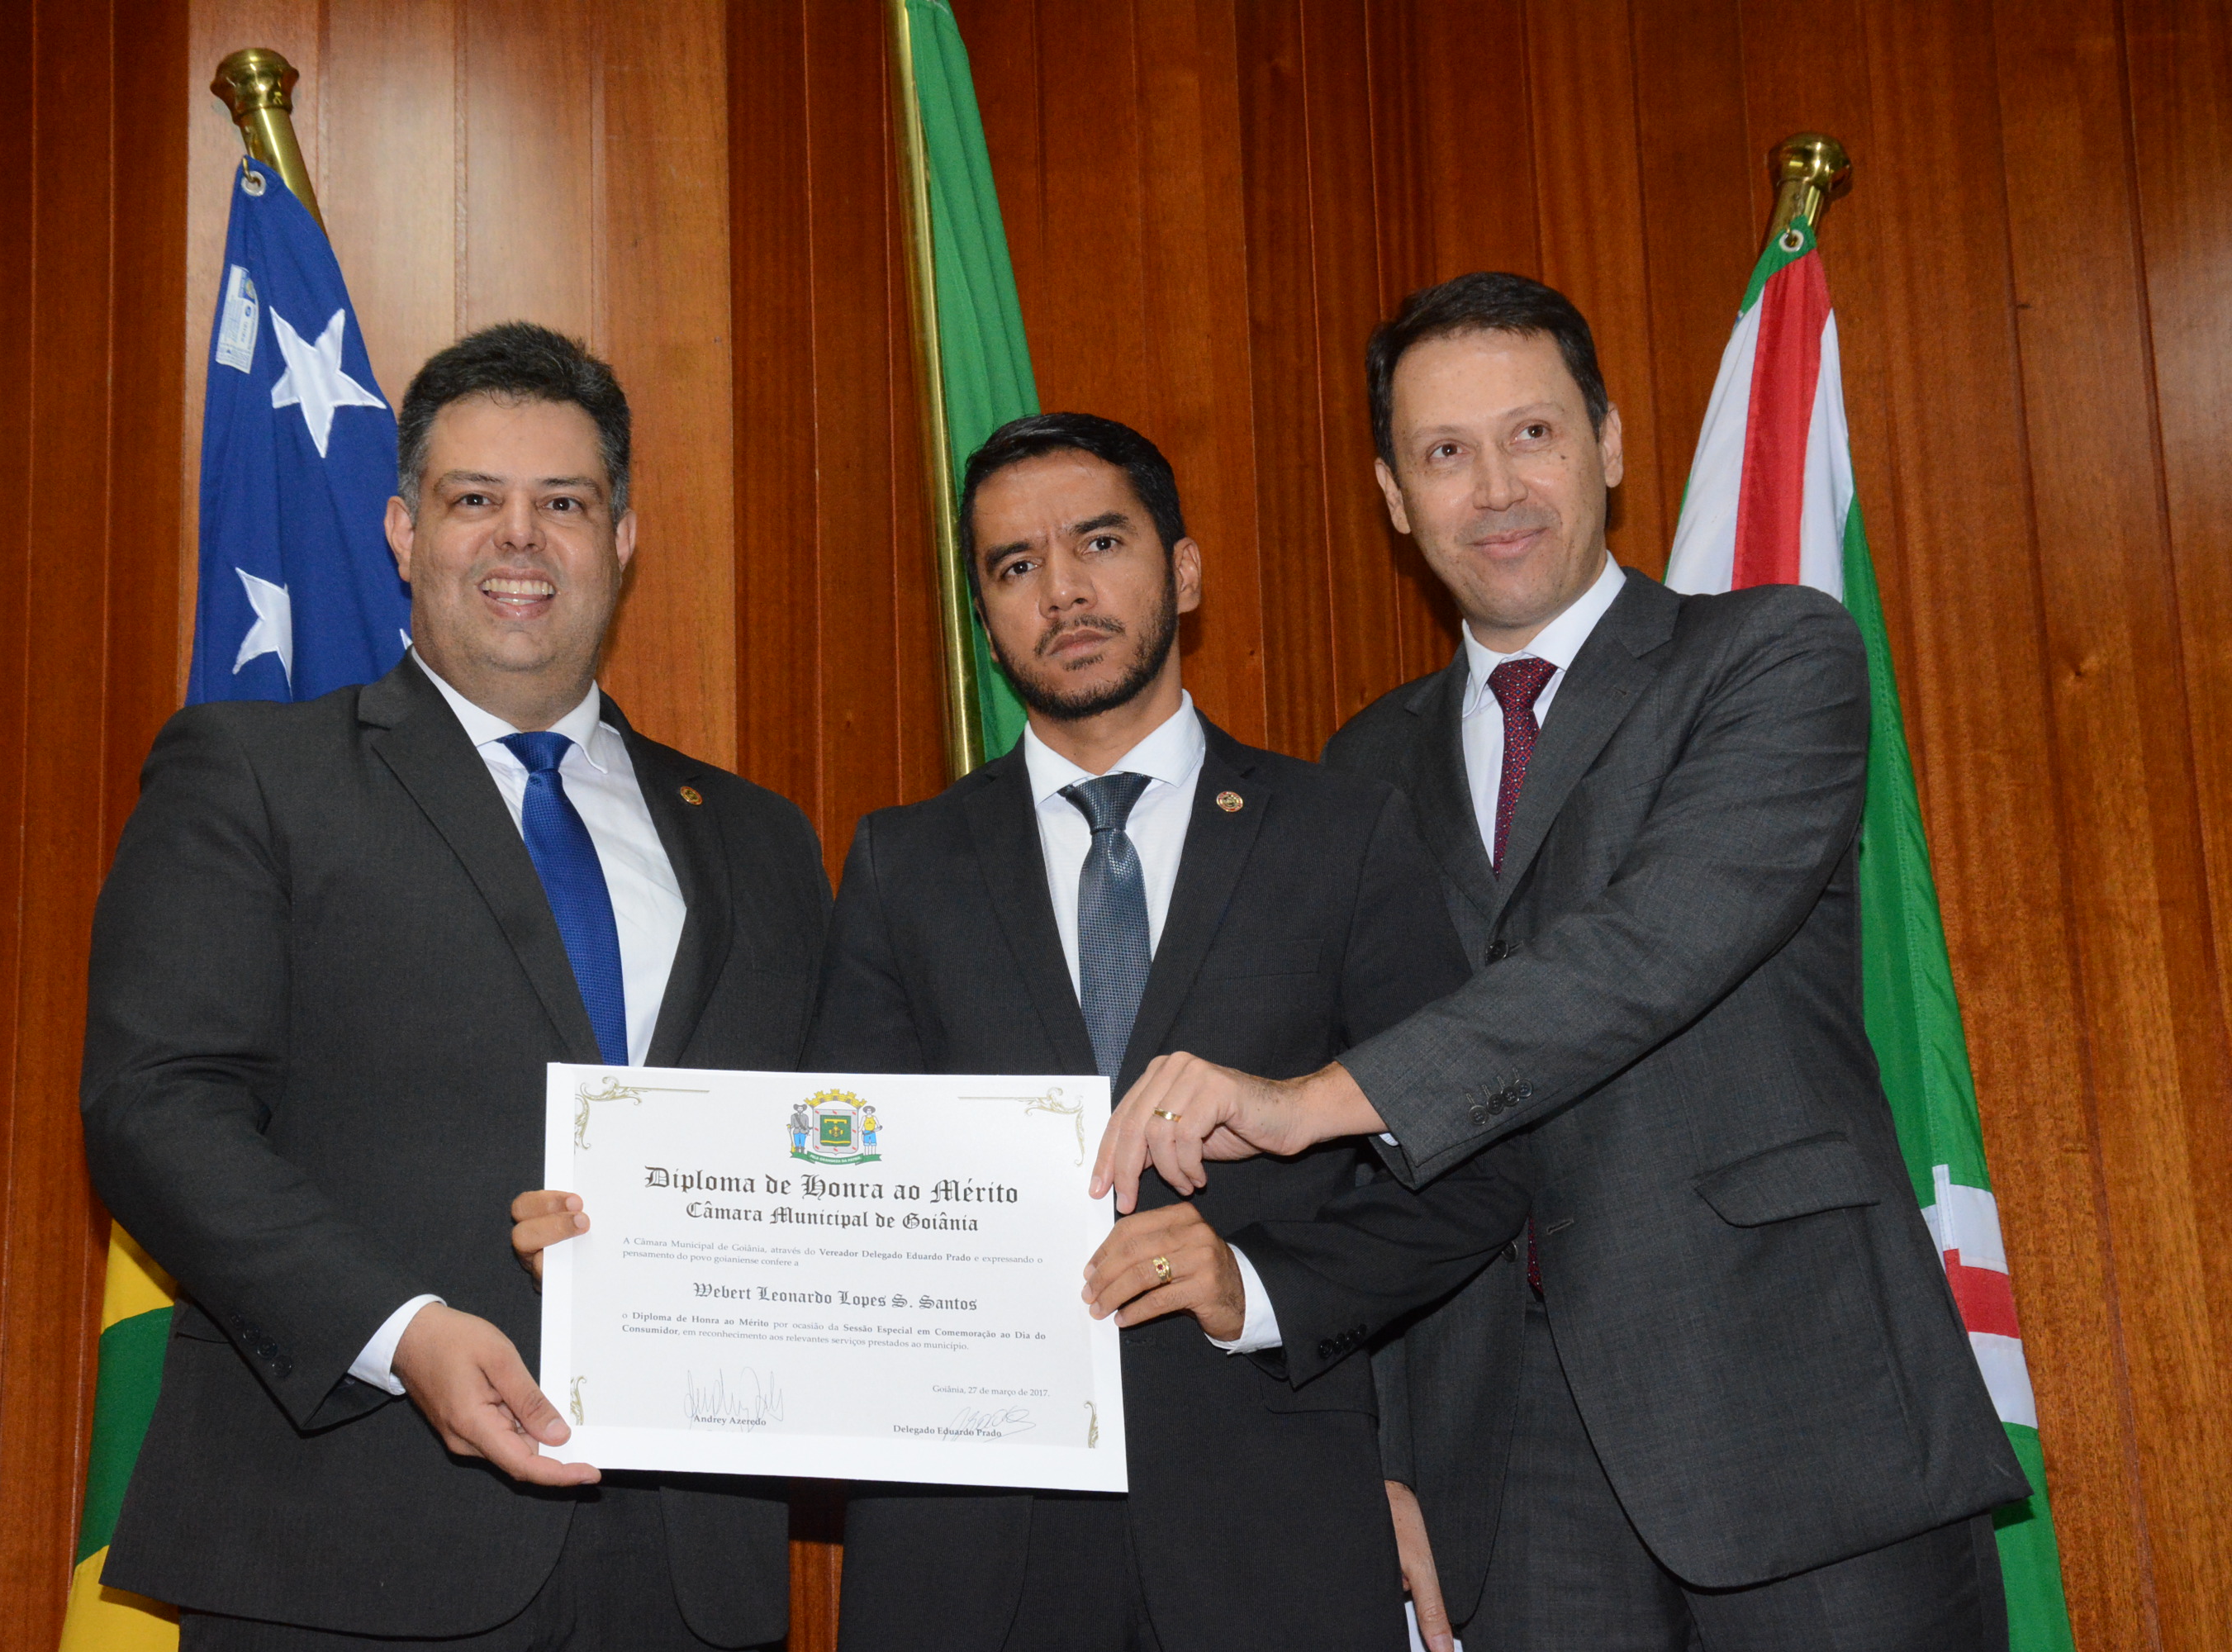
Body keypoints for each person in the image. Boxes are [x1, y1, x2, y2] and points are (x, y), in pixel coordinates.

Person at [1090, 273, 2027, 1652]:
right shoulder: (1362, 768)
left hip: (1794, 1399)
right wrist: (1381, 1453)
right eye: (1444, 453)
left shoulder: (1770, 658)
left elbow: (1646, 953)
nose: (1496, 490)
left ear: (1612, 444)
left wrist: (1311, 1099)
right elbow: (1360, 1183)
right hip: (1504, 1453)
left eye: (1531, 434)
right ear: (1394, 498)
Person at [83, 323, 831, 1650]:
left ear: (623, 538)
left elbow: (828, 1143)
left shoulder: (759, 838)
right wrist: (401, 1332)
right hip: (347, 1538)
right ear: (403, 532)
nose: (519, 538)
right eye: (474, 499)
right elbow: (156, 1107)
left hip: (685, 1564)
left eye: (565, 503)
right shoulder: (253, 774)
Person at [797, 412, 1532, 1652]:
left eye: (1100, 543)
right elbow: (834, 1193)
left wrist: (1258, 1288)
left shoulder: (1342, 835)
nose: (1062, 590)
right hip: (969, 1546)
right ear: (985, 618)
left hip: (1269, 1522)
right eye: (1015, 566)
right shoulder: (900, 863)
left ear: (1183, 572)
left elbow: (1474, 1171)